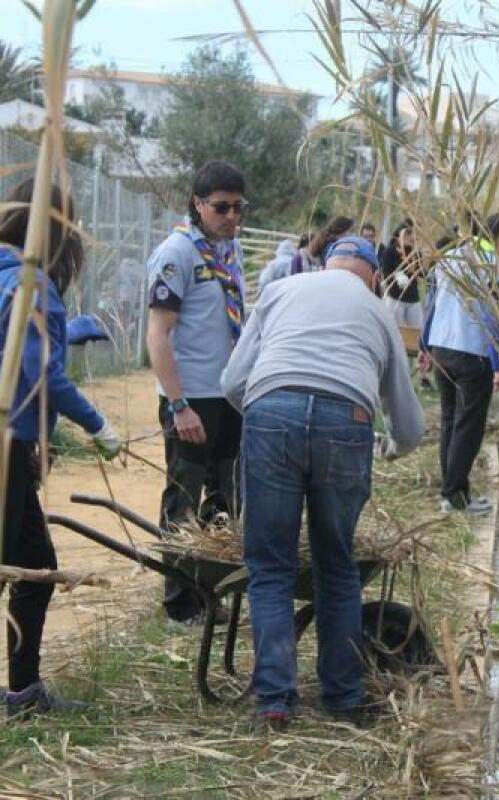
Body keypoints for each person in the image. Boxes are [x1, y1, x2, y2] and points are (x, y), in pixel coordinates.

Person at [221, 235, 424, 731]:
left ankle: (274, 701)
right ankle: (343, 697)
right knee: (337, 566)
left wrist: (268, 414)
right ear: (373, 276)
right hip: (346, 418)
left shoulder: (283, 289)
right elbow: (410, 426)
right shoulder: (378, 311)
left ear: (327, 263)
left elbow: (231, 383)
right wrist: (390, 446)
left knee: (270, 568)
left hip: (271, 409)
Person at [0, 179, 122, 716]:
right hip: (5, 450)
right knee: (24, 567)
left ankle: (25, 694)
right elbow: (41, 375)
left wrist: (64, 330)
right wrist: (97, 426)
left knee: (32, 564)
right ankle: (23, 694)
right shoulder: (33, 285)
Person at [146, 160, 248, 626]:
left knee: (223, 499)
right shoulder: (177, 253)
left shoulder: (231, 253)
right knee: (183, 500)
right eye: (222, 207)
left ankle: (211, 596)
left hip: (228, 395)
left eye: (238, 207)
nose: (231, 216)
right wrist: (178, 404)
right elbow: (158, 335)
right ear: (198, 204)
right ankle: (180, 603)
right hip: (192, 398)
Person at [419, 212, 499, 514]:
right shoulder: (493, 265)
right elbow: (494, 318)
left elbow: (431, 303)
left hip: (441, 348)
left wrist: (425, 346)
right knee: (469, 425)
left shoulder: (449, 255)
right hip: (470, 352)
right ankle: (455, 495)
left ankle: (449, 493)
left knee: (451, 420)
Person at [379, 218, 424, 329]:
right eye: (409, 234)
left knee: (416, 331)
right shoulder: (390, 252)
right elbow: (386, 276)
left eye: (413, 234)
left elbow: (422, 274)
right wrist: (397, 276)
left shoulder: (416, 253)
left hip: (413, 298)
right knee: (397, 331)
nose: (412, 237)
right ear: (401, 234)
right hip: (395, 298)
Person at [289, 216, 353, 277]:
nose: (350, 234)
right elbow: (331, 269)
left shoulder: (323, 238)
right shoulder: (332, 246)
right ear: (342, 230)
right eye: (349, 231)